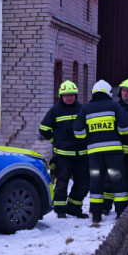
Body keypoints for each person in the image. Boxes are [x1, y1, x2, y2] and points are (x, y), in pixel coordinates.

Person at [74, 80, 128, 224]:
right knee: (117, 180)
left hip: (94, 155)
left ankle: (96, 215)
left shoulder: (85, 109)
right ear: (108, 93)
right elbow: (125, 127)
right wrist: (118, 134)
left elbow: (78, 132)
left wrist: (89, 138)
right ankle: (121, 212)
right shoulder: (114, 106)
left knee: (96, 181)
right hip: (114, 154)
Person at [39, 81, 89, 218]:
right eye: (66, 95)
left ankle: (74, 208)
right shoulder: (55, 110)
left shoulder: (82, 109)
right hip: (63, 155)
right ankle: (60, 210)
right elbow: (43, 129)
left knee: (83, 182)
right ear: (61, 96)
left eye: (72, 95)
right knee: (62, 182)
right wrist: (55, 142)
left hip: (82, 154)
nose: (69, 98)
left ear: (76, 95)